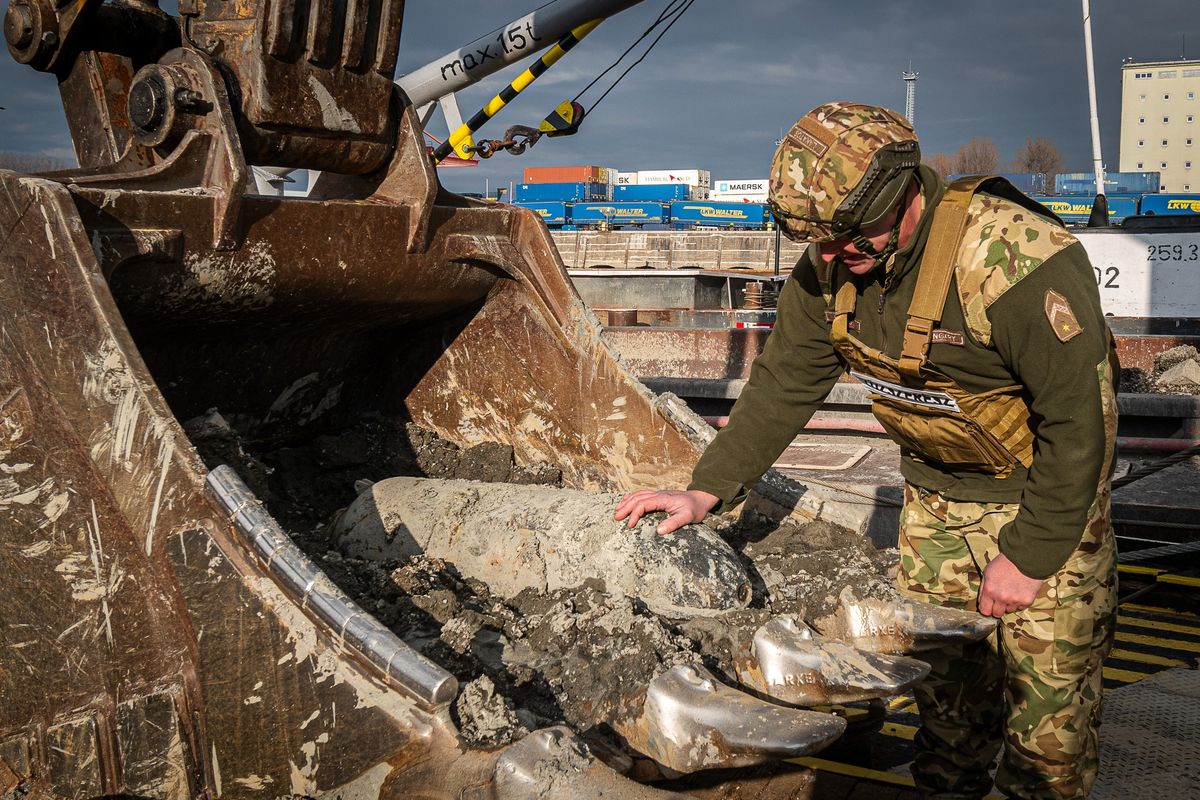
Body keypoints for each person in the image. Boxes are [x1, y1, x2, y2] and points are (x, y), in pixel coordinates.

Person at [615, 101, 1118, 800]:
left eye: (850, 238)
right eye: (820, 242)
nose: (832, 257)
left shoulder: (1015, 261)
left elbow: (1079, 425)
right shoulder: (831, 264)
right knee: (947, 716)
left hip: (1045, 510)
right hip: (935, 509)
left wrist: (1029, 556)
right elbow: (784, 381)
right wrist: (708, 487)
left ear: (904, 195)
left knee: (1046, 737)